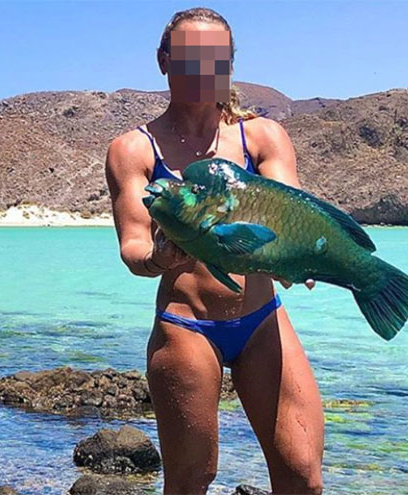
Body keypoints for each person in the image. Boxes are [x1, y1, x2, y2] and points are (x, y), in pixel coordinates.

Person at [104, 7, 324, 495]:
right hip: (187, 326)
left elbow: (289, 210)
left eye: (215, 59)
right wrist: (161, 258)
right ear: (163, 60)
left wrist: (299, 254)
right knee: (191, 480)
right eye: (189, 58)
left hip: (262, 319)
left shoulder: (263, 136)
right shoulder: (134, 150)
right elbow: (134, 247)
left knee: (302, 477)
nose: (203, 71)